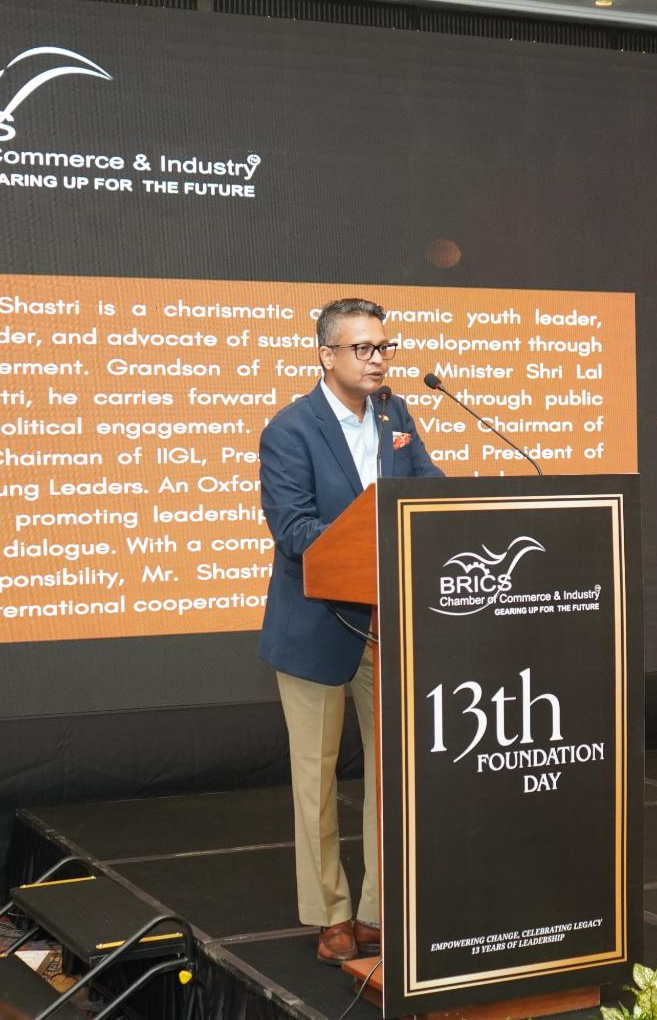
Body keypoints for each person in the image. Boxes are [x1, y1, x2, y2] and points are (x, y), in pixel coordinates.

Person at [257, 297, 444, 964]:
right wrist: (373, 546)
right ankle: (329, 914)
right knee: (316, 779)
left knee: (391, 776)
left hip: (386, 626)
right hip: (316, 627)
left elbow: (428, 489)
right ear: (326, 355)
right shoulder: (290, 429)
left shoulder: (397, 415)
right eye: (362, 348)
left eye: (383, 347)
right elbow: (294, 529)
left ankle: (378, 909)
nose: (377, 359)